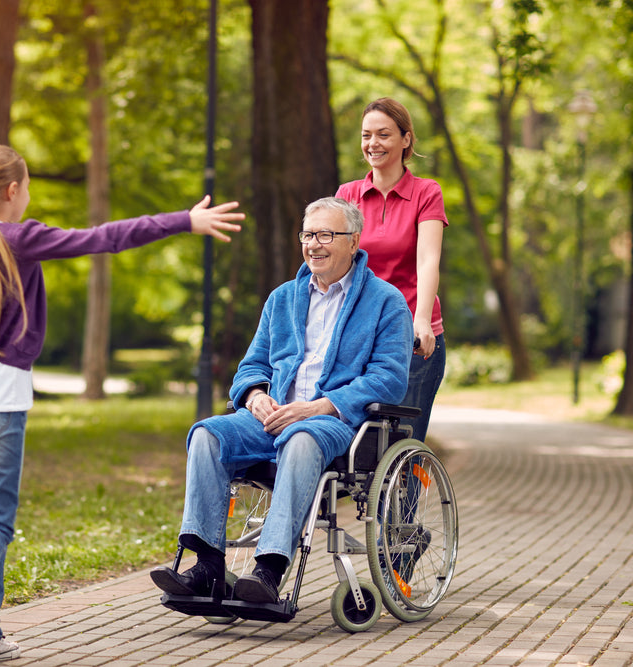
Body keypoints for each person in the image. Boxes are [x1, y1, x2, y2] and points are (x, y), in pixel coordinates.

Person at [0, 143, 244, 667]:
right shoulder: (19, 238)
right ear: (11, 191)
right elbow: (105, 238)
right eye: (26, 187)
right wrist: (185, 219)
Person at [150, 197, 412, 605]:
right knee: (206, 434)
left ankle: (268, 572)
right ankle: (207, 566)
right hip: (269, 417)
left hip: (332, 423)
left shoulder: (386, 302)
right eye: (308, 235)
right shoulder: (282, 298)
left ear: (353, 241)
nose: (314, 245)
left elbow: (390, 378)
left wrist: (321, 406)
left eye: (326, 235)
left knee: (302, 438)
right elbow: (251, 365)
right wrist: (254, 395)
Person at [334, 97, 448, 445]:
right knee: (351, 444)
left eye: (383, 134)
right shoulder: (347, 194)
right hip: (358, 334)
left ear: (406, 139)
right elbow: (335, 265)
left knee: (403, 445)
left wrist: (422, 320)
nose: (373, 144)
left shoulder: (425, 192)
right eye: (367, 135)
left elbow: (428, 259)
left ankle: (404, 502)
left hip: (412, 335)